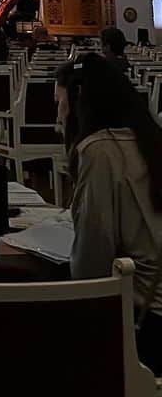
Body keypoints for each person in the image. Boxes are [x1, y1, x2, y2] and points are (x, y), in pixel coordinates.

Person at [56, 54, 162, 374]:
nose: (57, 115)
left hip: (146, 325)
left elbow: (91, 266)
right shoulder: (149, 141)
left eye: (59, 103)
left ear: (78, 102)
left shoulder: (100, 150)